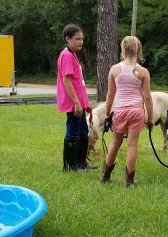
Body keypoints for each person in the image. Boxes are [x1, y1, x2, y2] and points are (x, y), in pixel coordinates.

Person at [100, 35, 154, 187]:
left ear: (122, 49)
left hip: (120, 110)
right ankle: (129, 181)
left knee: (115, 143)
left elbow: (110, 94)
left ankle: (105, 176)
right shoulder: (143, 72)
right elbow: (148, 98)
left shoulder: (114, 69)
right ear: (138, 50)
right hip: (137, 111)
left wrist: (107, 114)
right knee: (132, 145)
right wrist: (150, 118)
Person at [57, 24, 95, 172]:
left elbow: (78, 82)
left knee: (82, 132)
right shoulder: (66, 55)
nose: (81, 42)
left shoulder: (72, 54)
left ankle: (81, 163)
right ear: (67, 39)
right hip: (74, 104)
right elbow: (67, 80)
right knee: (73, 132)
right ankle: (71, 166)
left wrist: (84, 102)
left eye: (82, 39)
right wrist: (77, 103)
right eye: (77, 39)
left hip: (79, 102)